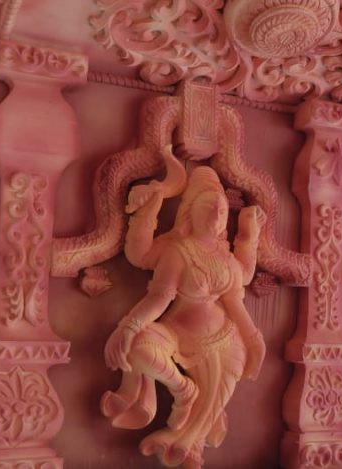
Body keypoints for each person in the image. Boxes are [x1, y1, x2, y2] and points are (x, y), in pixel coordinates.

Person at [100, 156, 266, 468]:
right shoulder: (178, 251)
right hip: (177, 333)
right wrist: (128, 327)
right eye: (208, 207)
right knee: (137, 349)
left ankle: (188, 448)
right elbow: (159, 297)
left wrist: (255, 341)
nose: (216, 214)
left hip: (226, 342)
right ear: (190, 211)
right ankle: (183, 390)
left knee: (205, 415)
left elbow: (236, 301)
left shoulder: (227, 259)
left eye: (221, 210)